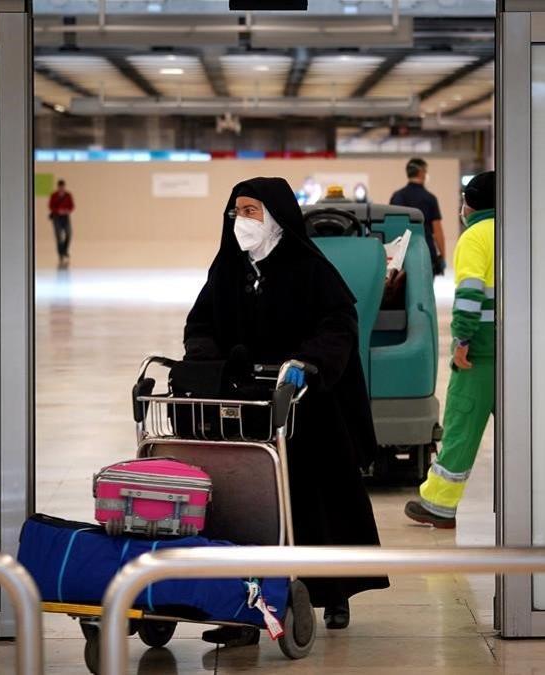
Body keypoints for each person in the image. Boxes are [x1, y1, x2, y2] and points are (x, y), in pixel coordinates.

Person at [184, 176, 389, 642]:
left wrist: (309, 361)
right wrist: (205, 358)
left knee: (318, 501)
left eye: (252, 211)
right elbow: (200, 323)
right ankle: (244, 611)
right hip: (248, 408)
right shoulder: (227, 271)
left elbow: (339, 324)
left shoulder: (309, 269)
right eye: (237, 211)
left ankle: (334, 593)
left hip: (306, 406)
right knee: (246, 507)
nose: (242, 220)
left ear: (276, 217)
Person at [405, 171, 496, 529]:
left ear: (470, 203)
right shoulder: (519, 230)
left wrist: (462, 340)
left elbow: (471, 294)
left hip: (481, 354)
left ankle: (440, 505)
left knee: (461, 425)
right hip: (516, 351)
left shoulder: (475, 235)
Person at [389, 157, 446, 275]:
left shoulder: (397, 196)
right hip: (425, 253)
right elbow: (437, 231)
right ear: (421, 173)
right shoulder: (430, 198)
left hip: (401, 255)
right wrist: (442, 257)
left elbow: (391, 227)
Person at [48, 179, 75, 267]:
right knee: (59, 236)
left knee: (69, 233)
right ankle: (60, 254)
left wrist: (67, 210)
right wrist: (58, 211)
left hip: (65, 217)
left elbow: (72, 206)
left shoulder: (68, 195)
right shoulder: (54, 195)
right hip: (57, 217)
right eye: (60, 187)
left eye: (63, 187)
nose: (61, 188)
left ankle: (65, 250)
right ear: (58, 187)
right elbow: (50, 206)